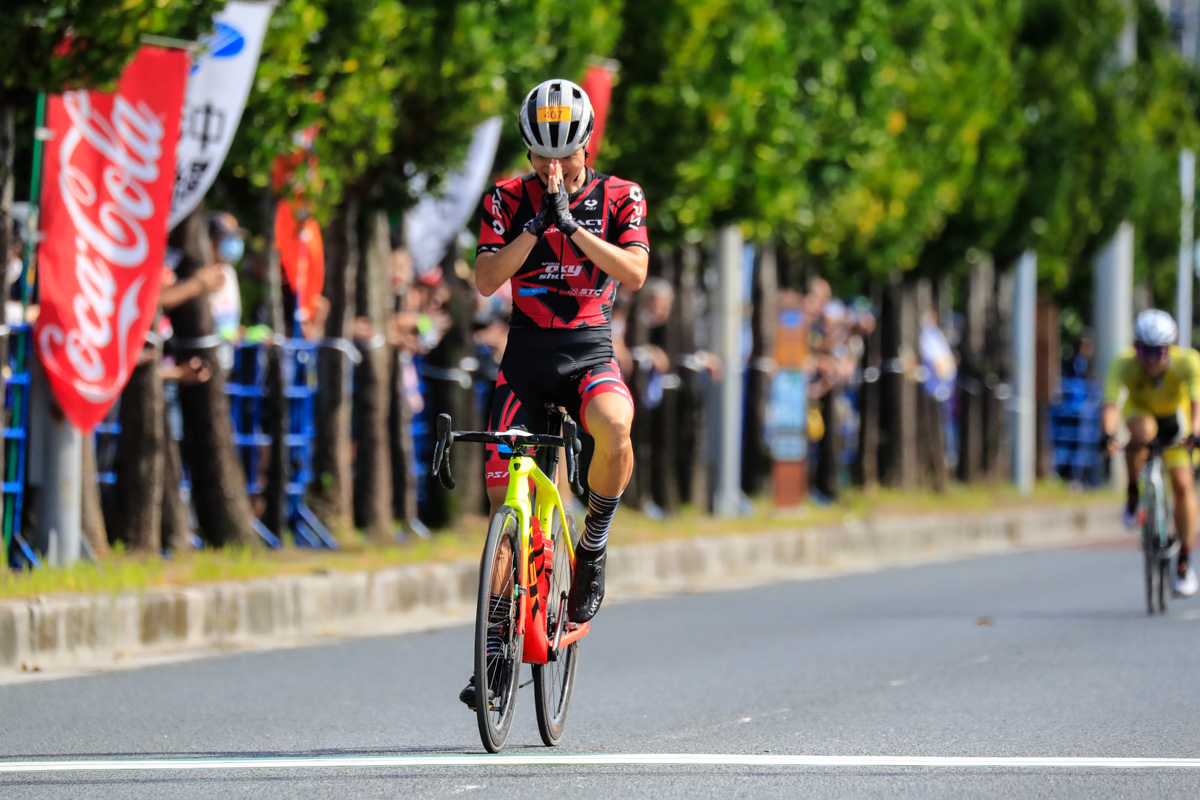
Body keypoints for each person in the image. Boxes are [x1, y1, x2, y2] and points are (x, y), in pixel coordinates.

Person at [461, 78, 649, 709]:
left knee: (615, 423)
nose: (553, 168)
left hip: (588, 350)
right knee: (502, 504)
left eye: (565, 155)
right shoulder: (508, 198)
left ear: (586, 147)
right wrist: (537, 229)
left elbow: (635, 271)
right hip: (525, 360)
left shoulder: (622, 195)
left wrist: (575, 228)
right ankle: (494, 645)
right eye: (541, 155)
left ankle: (592, 539)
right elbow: (486, 280)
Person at [1101, 309, 1200, 597]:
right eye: (1144, 350)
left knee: (1183, 485)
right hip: (1141, 416)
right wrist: (1107, 435)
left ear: (1171, 348)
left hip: (1175, 421)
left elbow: (1197, 405)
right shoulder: (1123, 364)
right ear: (1135, 348)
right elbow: (1111, 405)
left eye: (1159, 351)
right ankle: (1133, 493)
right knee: (1141, 433)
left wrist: (1195, 433)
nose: (1151, 359)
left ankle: (1183, 561)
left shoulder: (1188, 363)